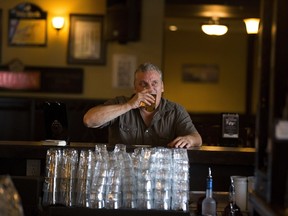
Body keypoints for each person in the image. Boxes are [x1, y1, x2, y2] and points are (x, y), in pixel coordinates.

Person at [83, 62, 202, 148]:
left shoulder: (175, 110)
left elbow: (197, 138)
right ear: (135, 88)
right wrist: (129, 105)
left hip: (159, 172)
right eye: (143, 84)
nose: (150, 89)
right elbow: (89, 120)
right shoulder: (120, 103)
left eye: (155, 83)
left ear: (162, 87)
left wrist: (189, 139)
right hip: (123, 171)